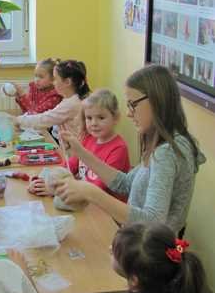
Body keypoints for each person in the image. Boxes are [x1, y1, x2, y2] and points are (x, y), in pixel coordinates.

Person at [57, 65, 205, 233]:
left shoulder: (167, 152)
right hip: (137, 239)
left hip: (149, 246)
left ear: (156, 100)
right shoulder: (162, 143)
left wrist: (91, 193)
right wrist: (80, 152)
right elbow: (125, 183)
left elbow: (153, 221)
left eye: (132, 104)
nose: (128, 113)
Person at [29, 89, 130, 202]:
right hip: (84, 200)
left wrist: (57, 190)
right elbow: (70, 166)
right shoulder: (88, 139)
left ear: (115, 118)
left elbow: (99, 188)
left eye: (101, 118)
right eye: (89, 118)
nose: (94, 123)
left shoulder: (119, 148)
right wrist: (45, 181)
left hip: (103, 207)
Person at [16, 60, 90, 136]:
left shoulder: (71, 103)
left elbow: (45, 119)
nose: (53, 83)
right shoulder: (70, 100)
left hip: (68, 143)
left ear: (67, 82)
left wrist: (17, 120)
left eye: (55, 79)